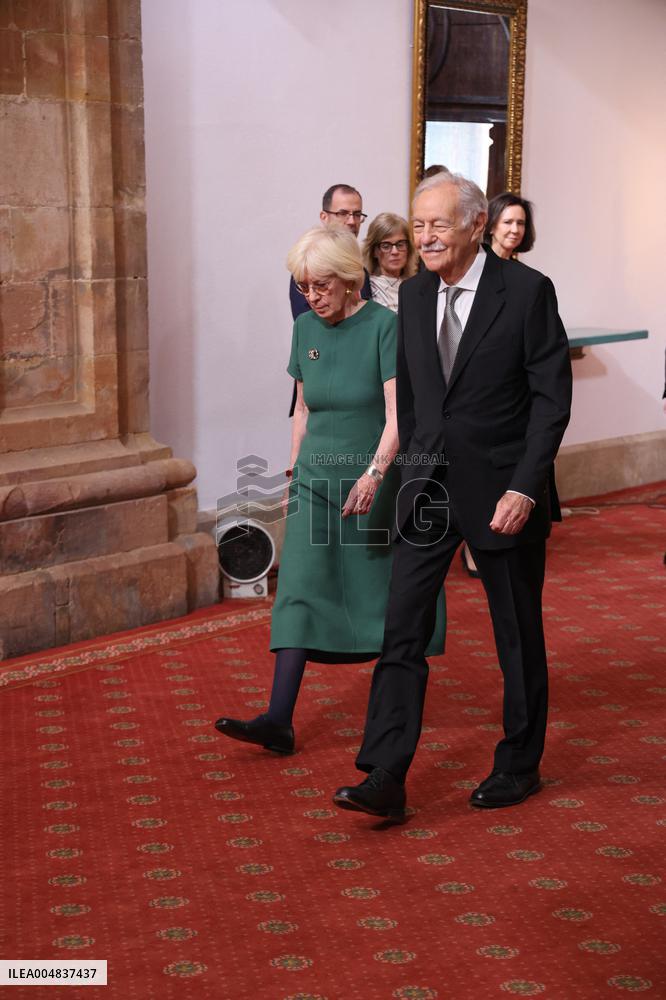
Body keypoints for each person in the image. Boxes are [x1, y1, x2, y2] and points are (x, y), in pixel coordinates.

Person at [333, 170, 572, 822]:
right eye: (419, 224)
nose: (426, 235)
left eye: (439, 223)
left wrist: (527, 485)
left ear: (474, 224)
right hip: (429, 490)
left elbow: (551, 402)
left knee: (516, 636)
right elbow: (413, 402)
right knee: (401, 630)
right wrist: (399, 474)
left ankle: (519, 765)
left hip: (503, 492)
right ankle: (385, 773)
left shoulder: (526, 292)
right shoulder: (410, 296)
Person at [216, 226, 445, 755]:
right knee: (299, 589)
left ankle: (390, 719)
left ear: (348, 279)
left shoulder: (385, 327)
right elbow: (303, 410)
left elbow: (397, 417)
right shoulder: (304, 330)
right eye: (303, 287)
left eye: (320, 285)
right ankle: (278, 719)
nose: (311, 296)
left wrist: (373, 476)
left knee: (380, 601)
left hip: (373, 483)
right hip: (316, 481)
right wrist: (293, 474)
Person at [460, 192, 538, 579]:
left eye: (521, 223)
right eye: (508, 221)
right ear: (489, 224)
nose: (514, 229)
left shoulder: (530, 284)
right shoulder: (469, 276)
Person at [288, 184, 372, 415]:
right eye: (343, 213)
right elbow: (314, 325)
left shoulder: (360, 270)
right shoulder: (306, 268)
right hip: (322, 385)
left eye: (357, 214)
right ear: (324, 217)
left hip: (362, 389)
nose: (352, 221)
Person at [362, 213, 418, 314]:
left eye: (400, 244)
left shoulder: (417, 286)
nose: (395, 251)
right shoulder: (365, 289)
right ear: (374, 251)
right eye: (386, 246)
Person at [485, 192, 536, 260]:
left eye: (520, 223)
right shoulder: (472, 264)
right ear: (491, 226)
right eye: (507, 222)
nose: (515, 230)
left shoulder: (520, 270)